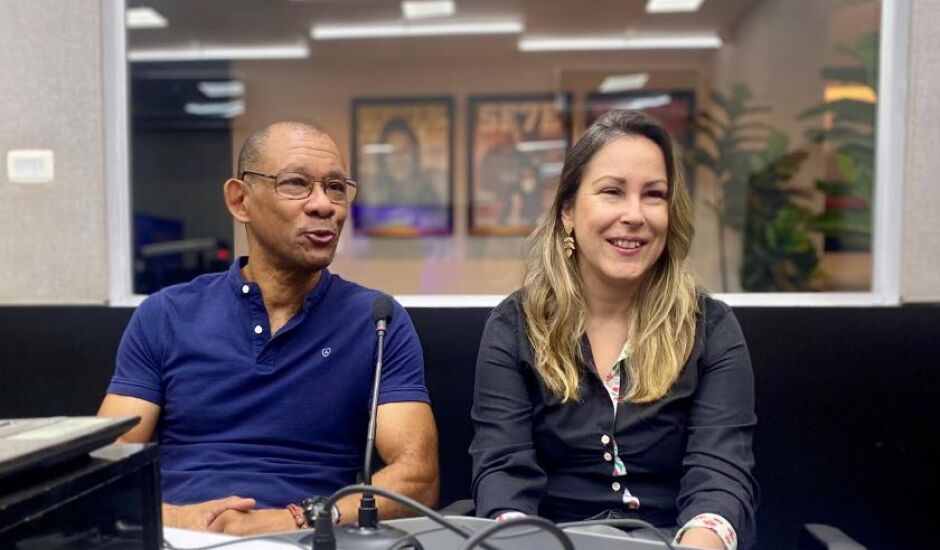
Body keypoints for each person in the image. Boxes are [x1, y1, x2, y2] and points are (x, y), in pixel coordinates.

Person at [98, 121, 439, 535]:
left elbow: (417, 480)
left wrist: (288, 521)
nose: (324, 205)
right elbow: (105, 467)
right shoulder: (165, 315)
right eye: (296, 184)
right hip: (176, 535)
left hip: (309, 537)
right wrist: (179, 520)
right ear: (240, 201)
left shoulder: (377, 321)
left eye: (336, 187)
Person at [470, 111, 758, 549]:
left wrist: (701, 542)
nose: (634, 215)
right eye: (611, 192)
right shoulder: (515, 326)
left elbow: (720, 475)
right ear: (567, 210)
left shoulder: (711, 328)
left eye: (654, 195)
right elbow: (502, 471)